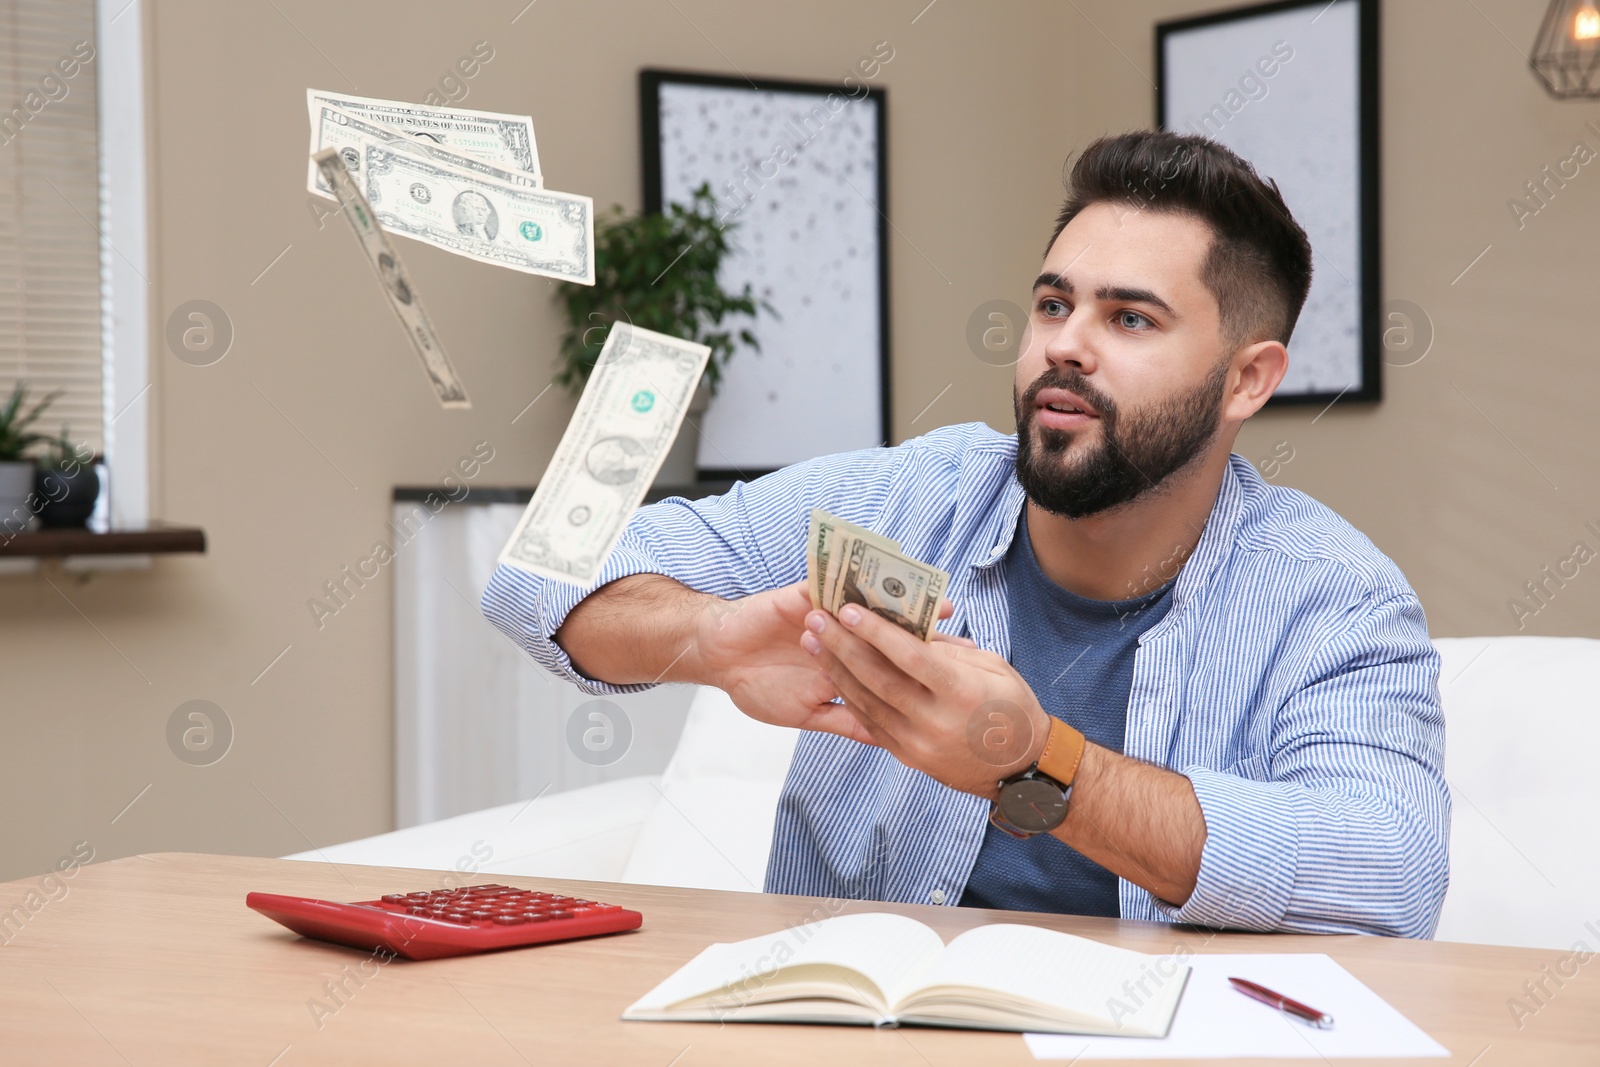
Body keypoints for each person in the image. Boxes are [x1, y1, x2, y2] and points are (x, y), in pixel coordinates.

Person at [482, 130, 1450, 937]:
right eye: (1053, 303)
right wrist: (708, 640)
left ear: (1247, 378)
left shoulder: (1333, 595)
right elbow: (540, 570)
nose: (1064, 343)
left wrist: (1040, 765)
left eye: (1130, 318)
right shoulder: (908, 494)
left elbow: (1392, 874)